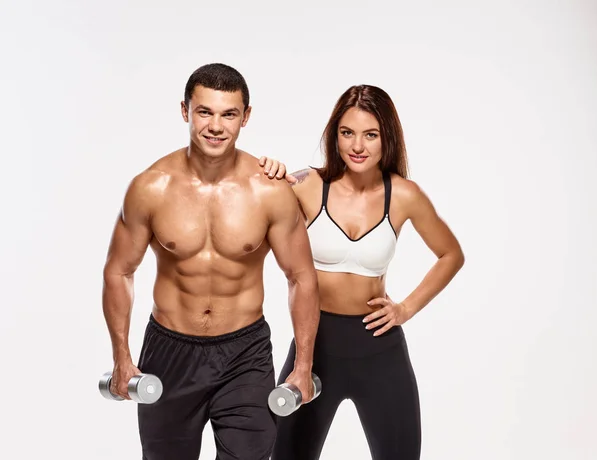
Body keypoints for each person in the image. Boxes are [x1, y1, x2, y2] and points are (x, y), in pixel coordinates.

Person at [101, 63, 320, 460]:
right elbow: (119, 271)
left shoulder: (269, 191)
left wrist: (302, 365)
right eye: (205, 112)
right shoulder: (150, 188)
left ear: (245, 117)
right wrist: (122, 357)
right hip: (170, 352)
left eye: (229, 114)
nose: (215, 126)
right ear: (185, 111)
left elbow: (301, 277)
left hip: (245, 353)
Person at [258, 84, 465, 459]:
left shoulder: (403, 194)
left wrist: (405, 309)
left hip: (378, 348)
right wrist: (265, 175)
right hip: (315, 346)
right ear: (334, 134)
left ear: (388, 138)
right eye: (347, 132)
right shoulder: (306, 186)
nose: (357, 145)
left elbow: (450, 254)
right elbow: (250, 221)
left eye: (370, 135)